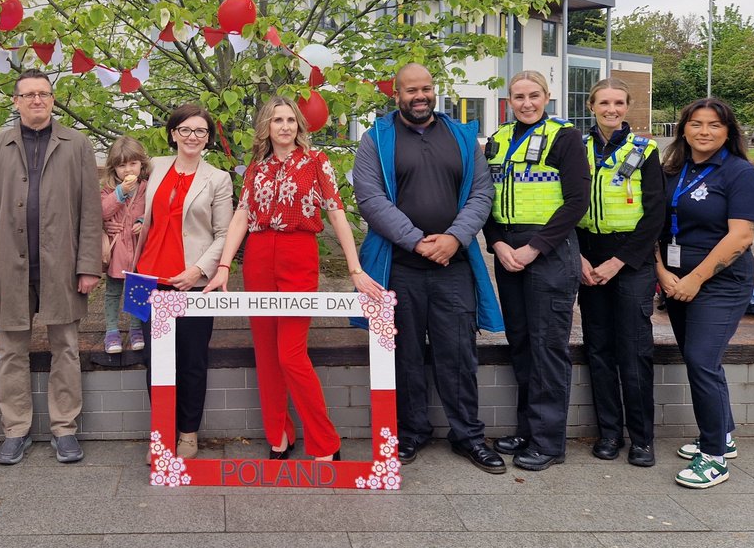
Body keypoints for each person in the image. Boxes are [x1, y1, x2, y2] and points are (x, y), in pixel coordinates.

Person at [205, 96, 382, 461]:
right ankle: (278, 434)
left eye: (290, 120)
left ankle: (325, 441)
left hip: (298, 256)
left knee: (290, 355)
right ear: (266, 127)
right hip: (257, 259)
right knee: (267, 354)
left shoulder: (317, 162)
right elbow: (241, 216)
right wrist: (224, 266)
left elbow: (335, 214)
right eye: (277, 120)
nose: (284, 126)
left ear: (299, 125)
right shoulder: (257, 165)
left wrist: (355, 269)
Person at [353, 64, 505, 474]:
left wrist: (454, 237)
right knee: (403, 354)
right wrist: (417, 240)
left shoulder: (460, 136)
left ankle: (468, 436)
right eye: (410, 90)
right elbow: (369, 198)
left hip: (453, 266)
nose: (420, 96)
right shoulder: (376, 139)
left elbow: (481, 191)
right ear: (396, 93)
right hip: (397, 266)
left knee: (458, 353)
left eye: (426, 89)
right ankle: (410, 432)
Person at [0, 71, 102, 465]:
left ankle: (65, 429)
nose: (36, 100)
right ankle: (16, 430)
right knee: (11, 350)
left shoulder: (76, 144)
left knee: (66, 347)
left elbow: (90, 213)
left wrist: (88, 265)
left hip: (61, 264)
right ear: (15, 101)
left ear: (53, 98)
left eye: (43, 93)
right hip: (8, 266)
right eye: (28, 95)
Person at [657, 98, 754, 489]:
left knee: (703, 360)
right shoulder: (672, 169)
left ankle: (714, 457)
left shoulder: (740, 175)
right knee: (698, 360)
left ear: (728, 132)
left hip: (720, 282)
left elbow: (741, 236)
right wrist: (662, 273)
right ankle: (723, 434)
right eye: (696, 124)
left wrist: (696, 278)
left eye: (714, 125)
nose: (704, 132)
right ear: (683, 129)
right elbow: (654, 225)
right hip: (675, 280)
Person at [485, 71, 589, 471]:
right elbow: (486, 198)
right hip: (507, 250)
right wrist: (496, 242)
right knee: (523, 344)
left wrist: (533, 248)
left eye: (533, 95)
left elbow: (576, 203)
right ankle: (527, 430)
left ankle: (548, 442)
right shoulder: (498, 141)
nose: (526, 103)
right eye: (517, 97)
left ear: (548, 97)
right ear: (508, 101)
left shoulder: (565, 138)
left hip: (548, 251)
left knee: (547, 348)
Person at [134, 102, 233, 459]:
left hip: (190, 280)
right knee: (154, 360)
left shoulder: (218, 178)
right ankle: (161, 433)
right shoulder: (154, 167)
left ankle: (188, 434)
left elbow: (224, 234)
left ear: (208, 138)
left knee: (192, 359)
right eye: (185, 130)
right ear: (173, 133)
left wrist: (199, 270)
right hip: (146, 279)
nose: (193, 137)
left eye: (200, 131)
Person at [576, 78, 665, 468]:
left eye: (618, 103)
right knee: (599, 349)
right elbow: (566, 204)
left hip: (630, 259)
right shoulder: (577, 147)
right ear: (592, 105)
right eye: (604, 102)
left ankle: (642, 439)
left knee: (633, 349)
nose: (611, 109)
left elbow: (655, 214)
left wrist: (620, 261)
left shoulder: (644, 149)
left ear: (627, 107)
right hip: (588, 257)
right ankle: (610, 433)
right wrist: (577, 257)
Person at [100, 136, 151, 354]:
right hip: (117, 248)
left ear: (141, 164)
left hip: (140, 247)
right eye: (122, 165)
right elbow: (101, 212)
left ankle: (136, 328)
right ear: (114, 168)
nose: (127, 169)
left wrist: (143, 222)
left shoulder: (148, 188)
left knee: (139, 289)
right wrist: (120, 193)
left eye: (133, 163)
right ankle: (111, 330)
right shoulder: (107, 189)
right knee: (113, 290)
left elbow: (154, 212)